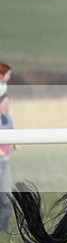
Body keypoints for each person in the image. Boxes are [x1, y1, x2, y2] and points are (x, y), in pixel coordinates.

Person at [0, 93, 14, 233]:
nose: (7, 106)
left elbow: (13, 135)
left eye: (8, 104)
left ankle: (3, 230)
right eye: (5, 103)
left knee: (7, 198)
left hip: (6, 162)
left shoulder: (8, 118)